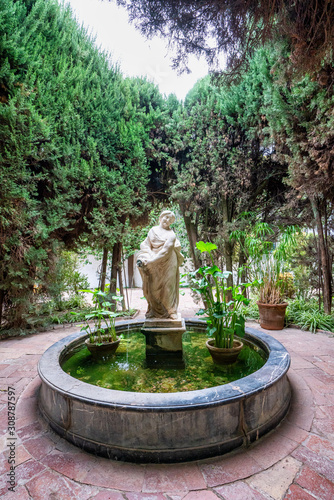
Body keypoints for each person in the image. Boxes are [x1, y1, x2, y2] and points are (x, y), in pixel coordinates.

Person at [137, 211, 184, 320]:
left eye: (170, 220)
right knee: (153, 287)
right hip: (154, 261)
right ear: (161, 217)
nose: (167, 220)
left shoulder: (171, 235)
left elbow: (165, 252)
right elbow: (145, 245)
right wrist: (149, 255)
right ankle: (154, 310)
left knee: (168, 288)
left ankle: (171, 311)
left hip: (168, 262)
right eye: (166, 217)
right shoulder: (153, 231)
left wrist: (152, 261)